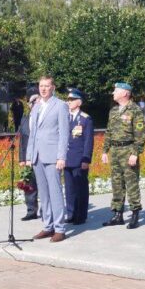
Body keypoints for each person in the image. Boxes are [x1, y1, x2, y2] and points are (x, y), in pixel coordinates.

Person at [23, 76, 70, 243]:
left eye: (46, 86)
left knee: (55, 192)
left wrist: (61, 157)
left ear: (53, 88)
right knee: (43, 193)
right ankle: (48, 226)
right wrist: (29, 156)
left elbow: (64, 134)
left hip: (52, 156)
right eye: (41, 86)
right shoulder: (36, 106)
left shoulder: (61, 106)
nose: (43, 89)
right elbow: (32, 133)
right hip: (37, 156)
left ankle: (60, 228)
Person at [101, 82, 145, 229]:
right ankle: (118, 214)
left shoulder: (135, 110)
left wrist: (135, 153)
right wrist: (104, 150)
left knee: (131, 182)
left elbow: (140, 134)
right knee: (116, 183)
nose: (113, 93)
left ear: (125, 93)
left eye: (116, 90)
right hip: (115, 150)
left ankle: (135, 214)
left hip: (128, 150)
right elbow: (109, 131)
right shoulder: (113, 110)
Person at [63, 89, 94, 224]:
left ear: (79, 102)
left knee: (80, 188)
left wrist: (86, 159)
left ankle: (81, 215)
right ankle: (71, 213)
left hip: (79, 159)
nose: (68, 102)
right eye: (68, 100)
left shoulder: (85, 119)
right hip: (66, 158)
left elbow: (88, 141)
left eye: (72, 100)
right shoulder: (64, 117)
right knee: (69, 189)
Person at [18, 94, 40, 221]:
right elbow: (22, 141)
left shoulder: (44, 118)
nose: (35, 104)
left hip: (42, 157)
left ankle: (47, 210)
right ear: (29, 105)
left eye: (37, 101)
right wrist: (21, 158)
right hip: (28, 158)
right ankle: (31, 211)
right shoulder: (25, 119)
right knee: (29, 185)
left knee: (44, 186)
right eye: (33, 102)